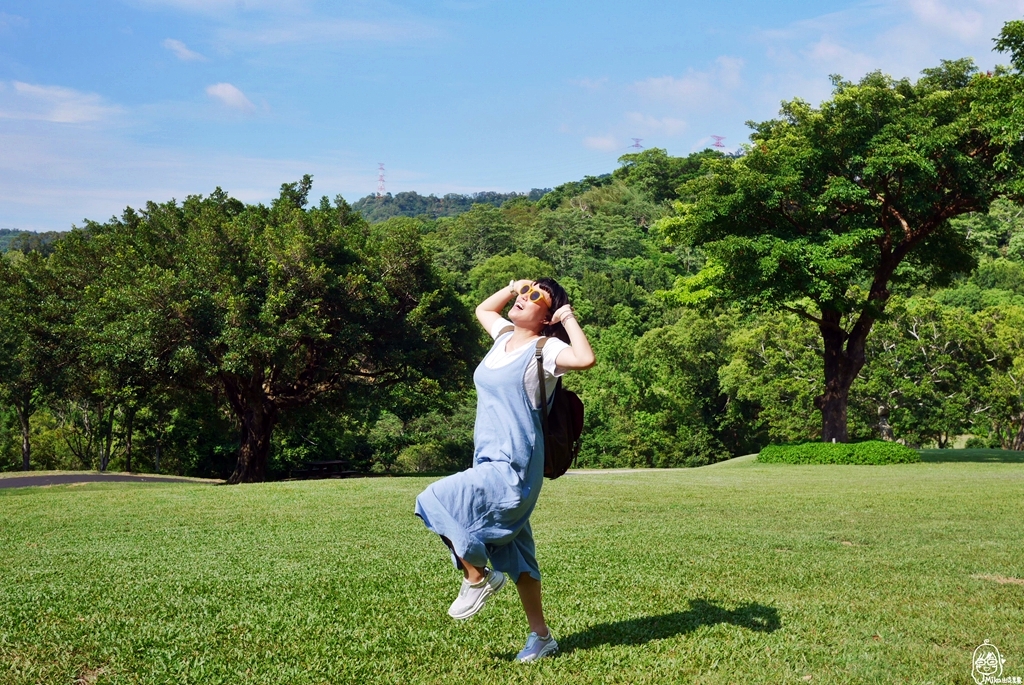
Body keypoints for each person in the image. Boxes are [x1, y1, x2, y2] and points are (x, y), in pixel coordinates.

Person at [414, 277, 595, 663]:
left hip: (514, 465)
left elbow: (585, 359)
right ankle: (541, 637)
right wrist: (514, 286)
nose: (524, 300)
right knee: (520, 557)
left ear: (546, 317)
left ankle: (477, 577)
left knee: (434, 498)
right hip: (487, 457)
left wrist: (568, 316)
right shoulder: (503, 337)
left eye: (535, 298)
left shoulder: (547, 350)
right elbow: (483, 310)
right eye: (525, 294)